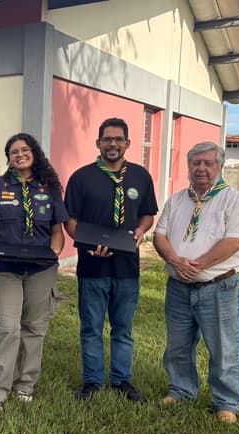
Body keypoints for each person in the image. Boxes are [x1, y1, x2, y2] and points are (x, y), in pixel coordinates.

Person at [153, 142, 239, 424]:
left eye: (208, 163)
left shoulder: (232, 200)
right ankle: (181, 389)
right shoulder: (176, 200)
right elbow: (160, 236)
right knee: (178, 344)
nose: (201, 168)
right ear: (188, 167)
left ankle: (226, 402)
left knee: (223, 347)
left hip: (219, 287)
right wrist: (176, 262)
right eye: (195, 163)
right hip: (178, 287)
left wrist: (198, 265)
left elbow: (235, 239)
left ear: (219, 166)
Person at [64, 117, 158, 403]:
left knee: (123, 328)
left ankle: (122, 380)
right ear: (98, 143)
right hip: (92, 265)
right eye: (107, 139)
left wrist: (141, 231)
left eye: (118, 139)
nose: (113, 144)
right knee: (91, 326)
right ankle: (92, 381)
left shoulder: (141, 176)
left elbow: (147, 214)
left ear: (128, 143)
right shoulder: (81, 177)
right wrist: (84, 244)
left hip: (127, 268)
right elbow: (70, 219)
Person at [0, 133, 68, 411]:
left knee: (35, 327)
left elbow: (57, 230)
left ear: (34, 153)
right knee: (7, 328)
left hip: (41, 268)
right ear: (9, 159)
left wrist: (54, 254)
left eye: (24, 149)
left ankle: (25, 384)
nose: (19, 155)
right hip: (6, 268)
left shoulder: (50, 186)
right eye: (13, 152)